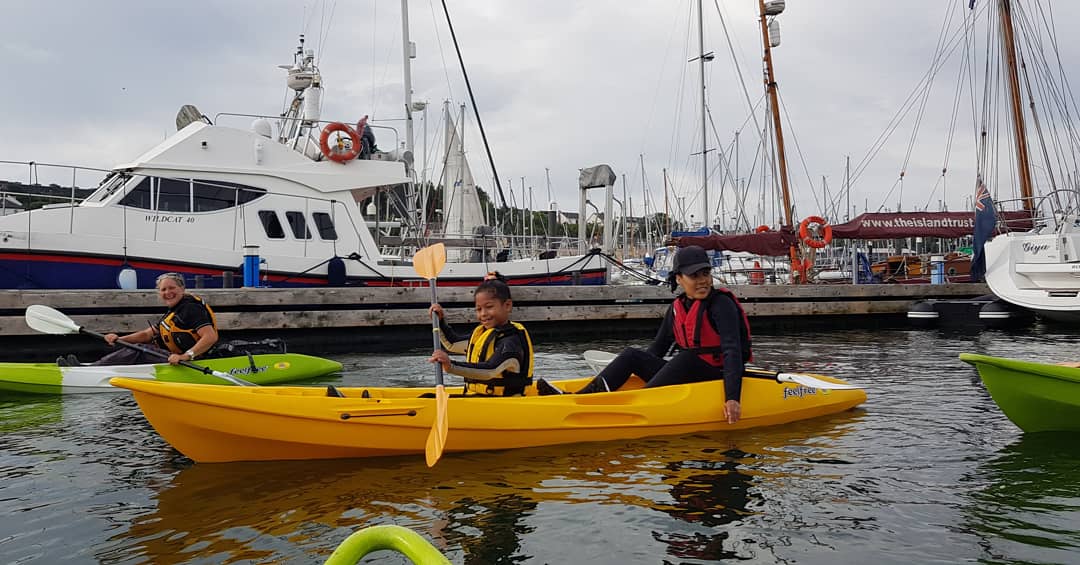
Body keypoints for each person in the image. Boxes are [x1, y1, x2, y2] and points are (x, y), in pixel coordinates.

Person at [537, 245, 752, 424]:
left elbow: (732, 350)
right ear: (679, 279)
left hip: (718, 374)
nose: (703, 280)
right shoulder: (677, 307)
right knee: (632, 355)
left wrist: (732, 397)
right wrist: (639, 371)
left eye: (705, 273)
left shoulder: (721, 304)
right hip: (690, 371)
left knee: (686, 358)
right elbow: (657, 350)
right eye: (694, 275)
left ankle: (632, 406)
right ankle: (578, 400)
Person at [65, 272, 219, 366]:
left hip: (192, 360)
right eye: (163, 289)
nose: (167, 292)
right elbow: (147, 334)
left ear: (182, 289)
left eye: (172, 288)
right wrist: (120, 338)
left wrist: (186, 356)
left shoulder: (190, 308)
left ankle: (92, 370)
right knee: (141, 345)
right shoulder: (173, 312)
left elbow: (210, 337)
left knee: (141, 350)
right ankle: (96, 367)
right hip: (175, 358)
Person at [428, 272, 534, 396]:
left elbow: (490, 370)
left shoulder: (511, 342)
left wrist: (450, 365)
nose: (483, 314)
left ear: (507, 306)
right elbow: (452, 344)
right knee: (428, 397)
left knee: (429, 399)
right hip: (479, 398)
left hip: (504, 405)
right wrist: (440, 321)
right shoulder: (483, 335)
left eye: (489, 307)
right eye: (478, 309)